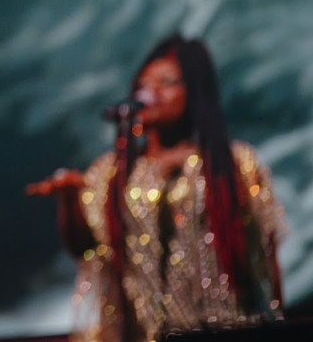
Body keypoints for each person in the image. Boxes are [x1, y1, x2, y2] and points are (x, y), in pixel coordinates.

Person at [25, 34, 286, 342]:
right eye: (143, 84)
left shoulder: (235, 163)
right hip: (144, 333)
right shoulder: (113, 171)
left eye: (167, 82)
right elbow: (86, 248)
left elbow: (266, 252)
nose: (151, 92)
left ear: (194, 91)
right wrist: (69, 200)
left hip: (228, 328)